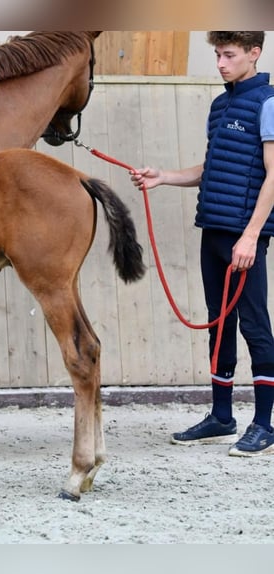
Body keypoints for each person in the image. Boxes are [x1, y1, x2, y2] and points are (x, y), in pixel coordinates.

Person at [131, 31, 274, 456]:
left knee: (254, 326)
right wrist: (166, 177)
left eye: (229, 55)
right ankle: (221, 416)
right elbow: (215, 166)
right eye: (216, 54)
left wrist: (251, 235)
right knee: (218, 324)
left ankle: (265, 424)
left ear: (254, 53)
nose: (220, 63)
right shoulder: (221, 104)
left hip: (243, 237)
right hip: (213, 229)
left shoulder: (267, 102)